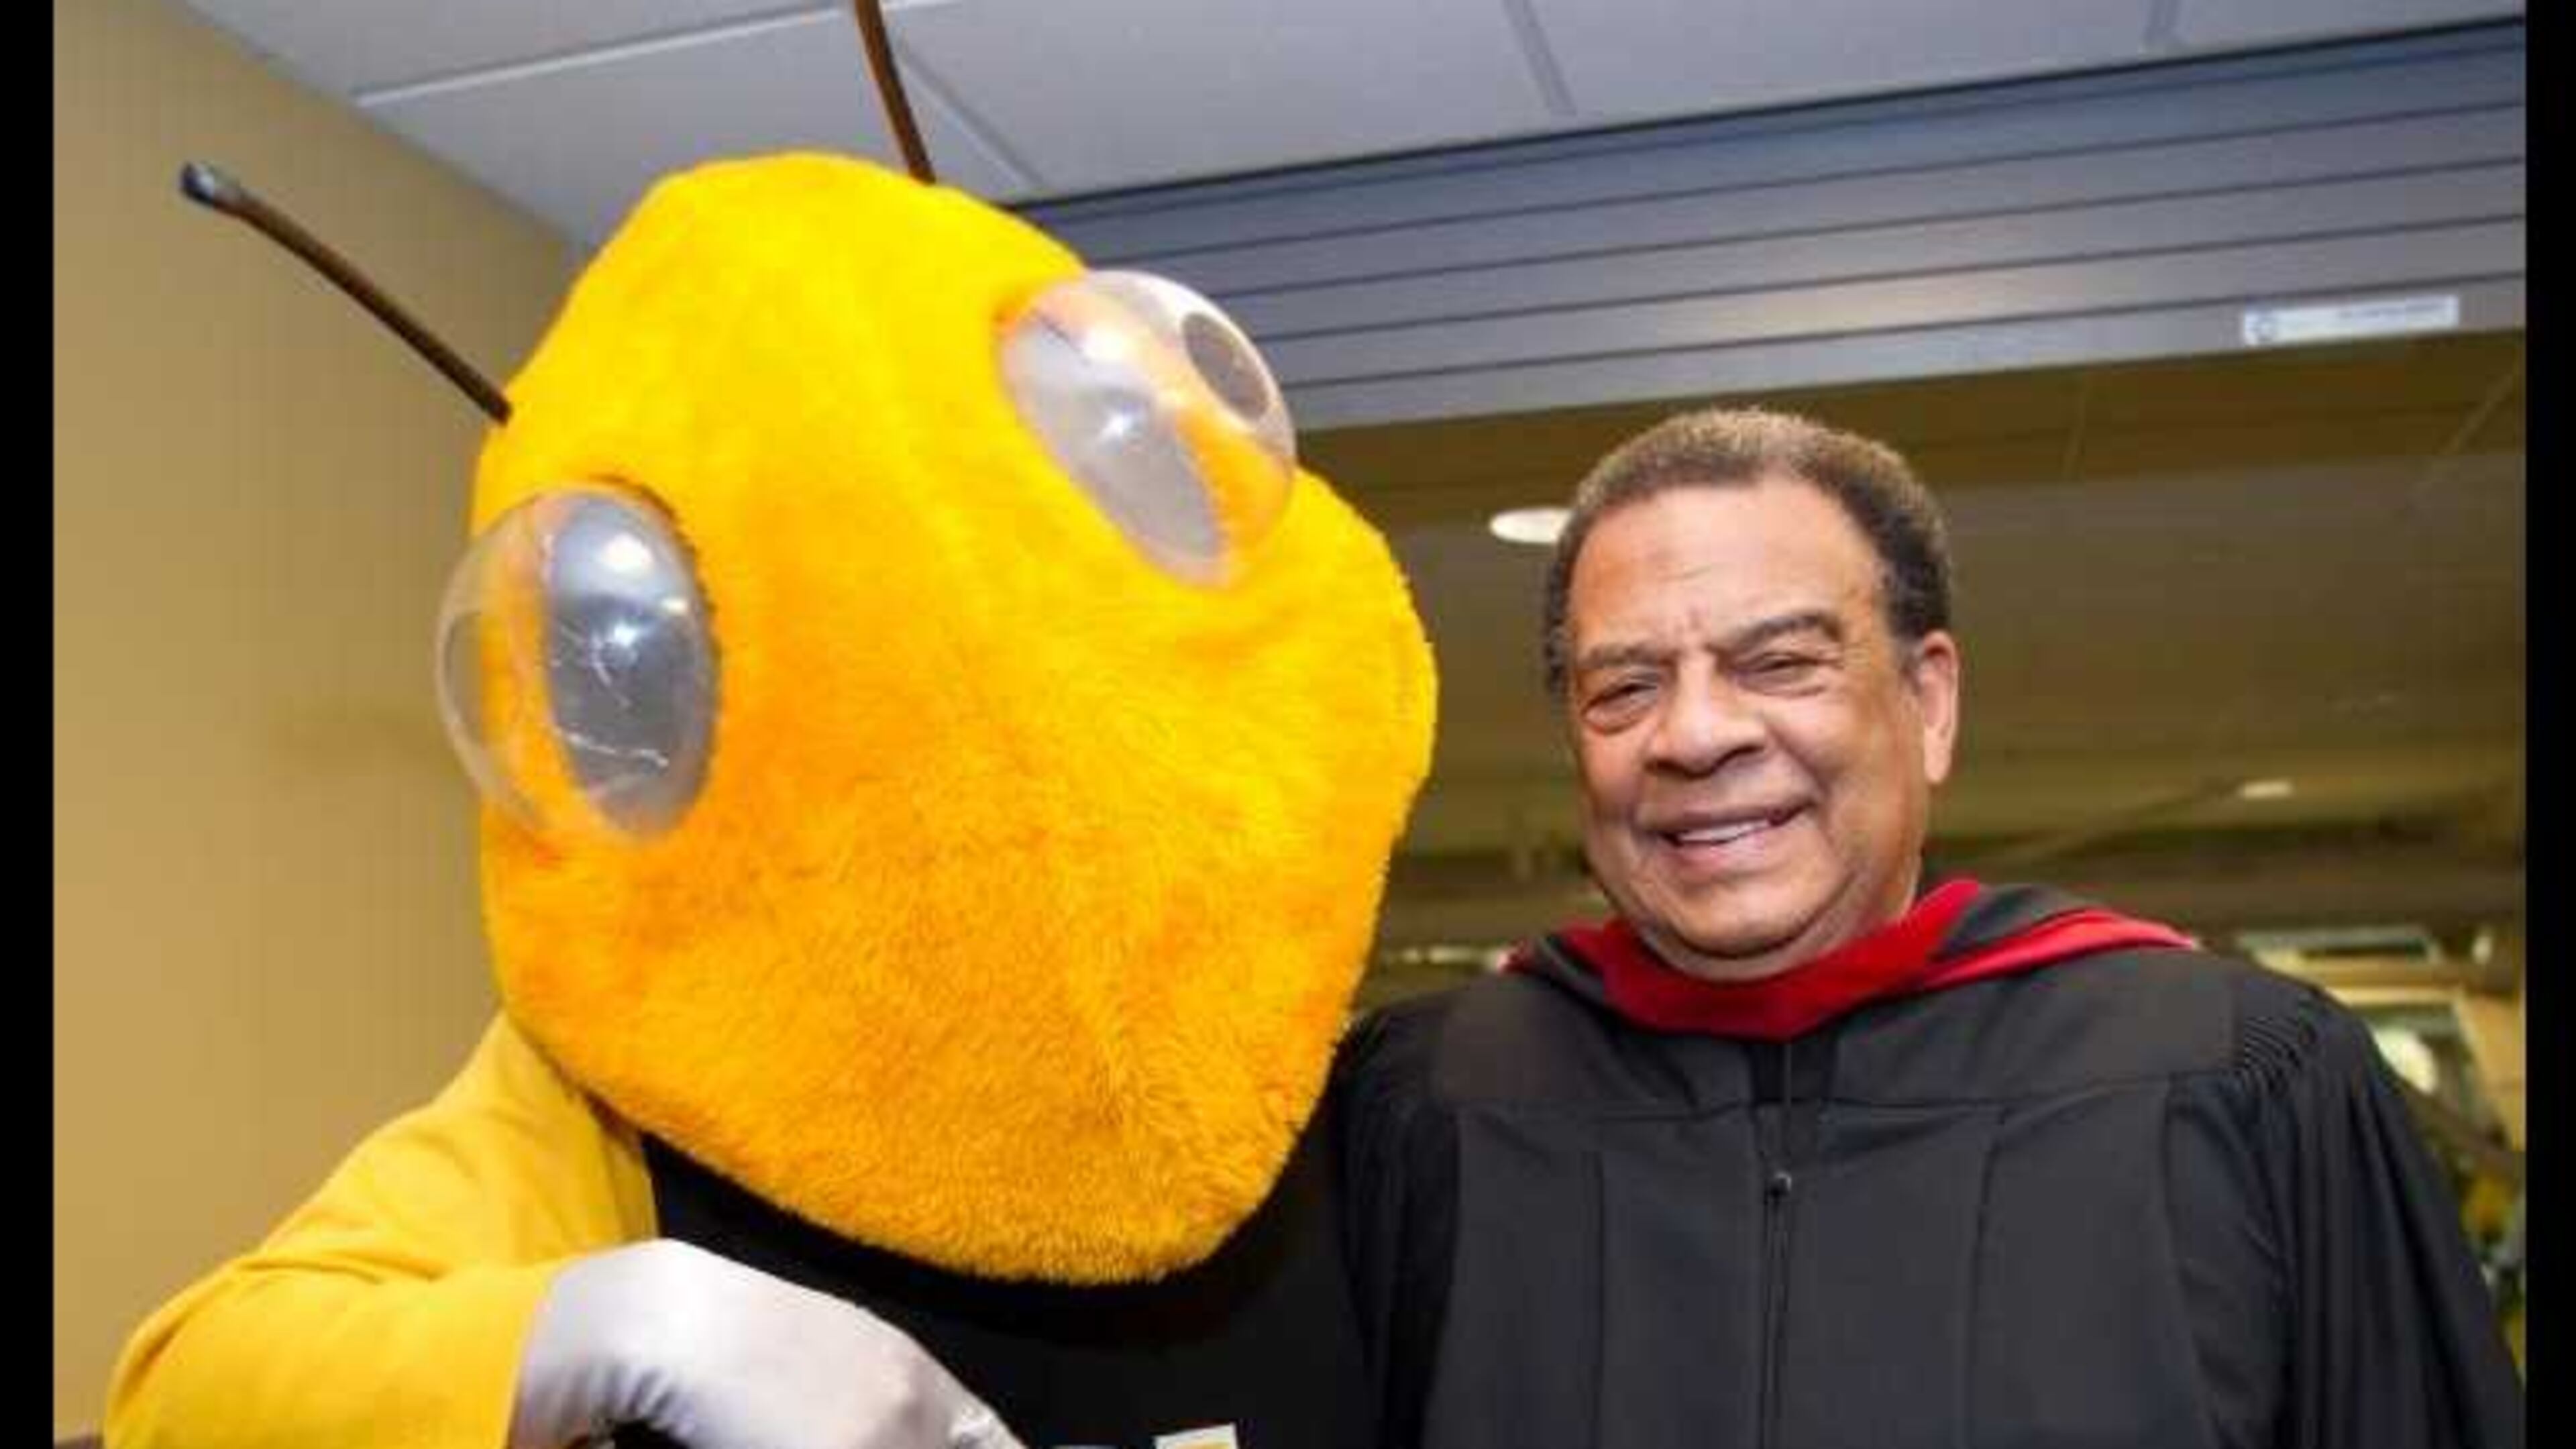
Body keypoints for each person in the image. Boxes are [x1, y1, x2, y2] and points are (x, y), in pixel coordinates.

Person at [1334, 406, 2524, 1448]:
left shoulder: (2235, 1078)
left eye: (1781, 660)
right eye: (1624, 686)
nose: (1693, 735)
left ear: (1930, 701)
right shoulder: (1428, 1105)